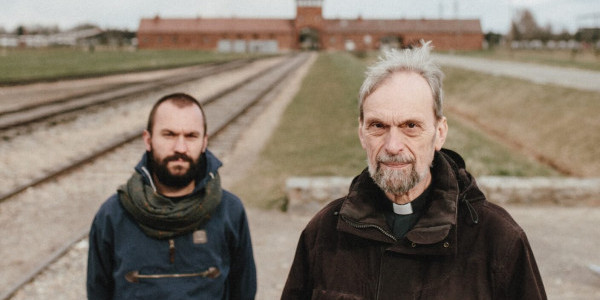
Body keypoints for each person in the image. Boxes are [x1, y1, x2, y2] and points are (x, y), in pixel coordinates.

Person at [281, 42, 547, 299]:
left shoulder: (498, 240)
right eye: (378, 126)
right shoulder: (325, 233)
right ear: (362, 133)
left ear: (439, 133)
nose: (393, 146)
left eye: (410, 126)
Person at [87, 93, 257, 299]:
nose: (180, 148)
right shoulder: (112, 216)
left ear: (204, 142)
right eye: (169, 134)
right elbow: (98, 292)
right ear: (148, 140)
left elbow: (243, 291)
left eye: (191, 136)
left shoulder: (229, 212)